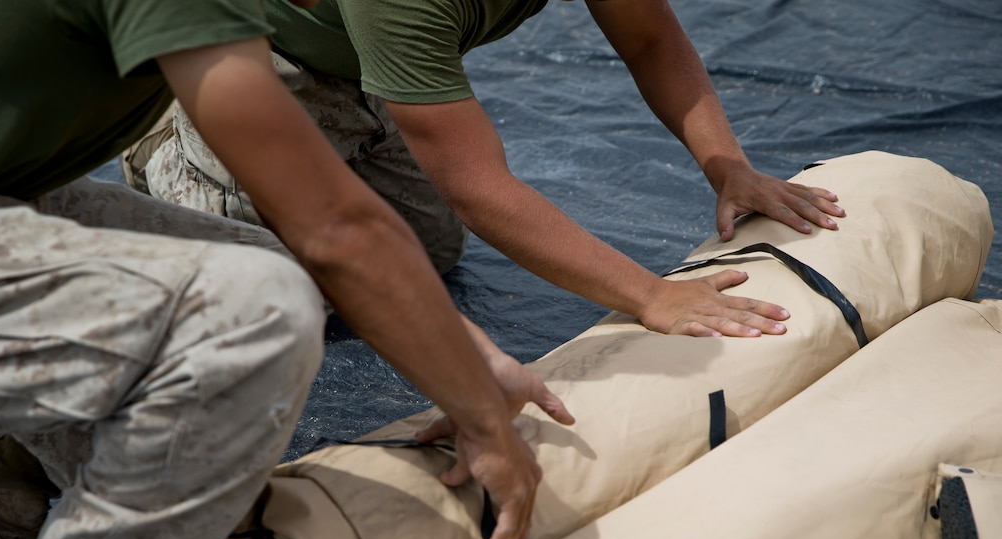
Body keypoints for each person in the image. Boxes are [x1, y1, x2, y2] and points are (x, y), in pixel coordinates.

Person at [0, 0, 574, 539]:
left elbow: (330, 220)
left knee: (253, 264)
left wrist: (466, 357)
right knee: (256, 312)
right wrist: (482, 414)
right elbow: (333, 225)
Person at [127, 0, 847, 339]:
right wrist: (651, 296)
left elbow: (652, 38)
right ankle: (162, 136)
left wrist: (727, 165)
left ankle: (361, 123)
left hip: (364, 76)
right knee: (253, 311)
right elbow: (476, 187)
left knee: (422, 253)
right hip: (244, 59)